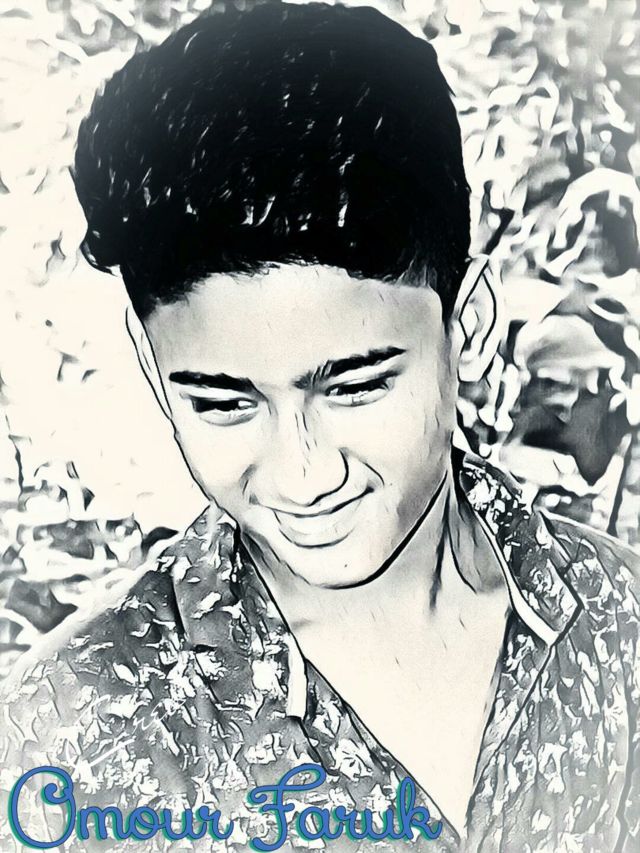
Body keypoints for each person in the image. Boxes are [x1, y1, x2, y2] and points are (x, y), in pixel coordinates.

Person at [1, 4, 638, 852]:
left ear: (471, 327)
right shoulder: (60, 740)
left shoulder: (621, 622)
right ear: (153, 369)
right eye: (224, 403)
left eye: (354, 387)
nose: (303, 476)